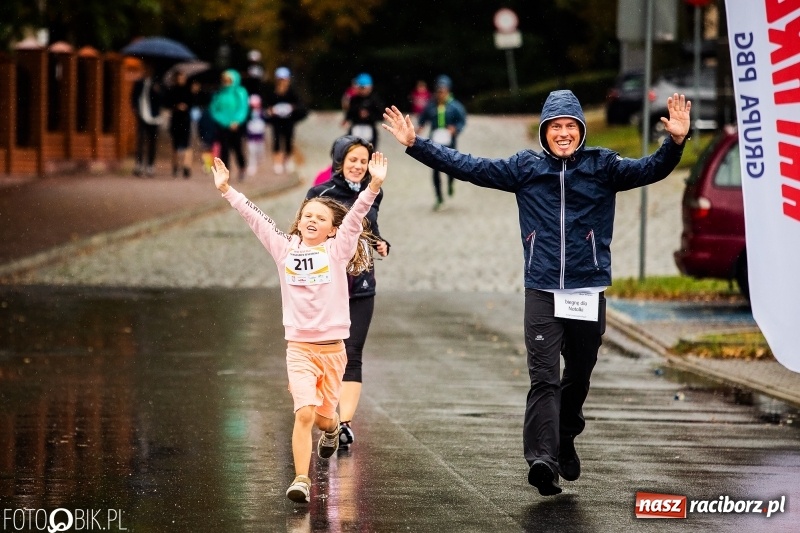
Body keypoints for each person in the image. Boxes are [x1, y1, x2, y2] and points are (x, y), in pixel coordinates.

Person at [382, 90, 691, 496]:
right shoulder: (525, 167)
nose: (563, 134)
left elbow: (651, 169)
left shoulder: (604, 165)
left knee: (578, 375)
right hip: (542, 288)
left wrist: (675, 142)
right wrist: (416, 145)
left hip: (586, 287)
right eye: (555, 128)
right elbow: (469, 166)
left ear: (580, 130)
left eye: (570, 127)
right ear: (545, 132)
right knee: (544, 377)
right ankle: (542, 459)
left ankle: (565, 436)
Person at [211, 151, 389, 503]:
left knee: (325, 420)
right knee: (304, 413)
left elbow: (355, 217)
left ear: (331, 228)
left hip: (333, 351)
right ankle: (301, 480)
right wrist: (227, 189)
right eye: (307, 215)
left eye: (320, 217)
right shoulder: (284, 249)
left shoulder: (337, 249)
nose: (311, 220)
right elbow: (257, 219)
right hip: (299, 350)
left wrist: (373, 186)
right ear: (299, 220)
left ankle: (334, 428)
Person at [305, 136, 391, 450]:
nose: (358, 166)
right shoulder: (320, 194)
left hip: (362, 282)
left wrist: (381, 243)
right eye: (353, 159)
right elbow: (305, 233)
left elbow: (371, 229)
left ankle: (344, 425)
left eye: (364, 160)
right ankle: (323, 412)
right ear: (340, 162)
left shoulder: (375, 193)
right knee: (326, 354)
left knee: (353, 355)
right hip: (327, 285)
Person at [417, 75, 467, 210]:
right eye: (439, 91)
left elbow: (462, 121)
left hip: (449, 140)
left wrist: (455, 129)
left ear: (448, 91)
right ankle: (439, 196)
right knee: (435, 169)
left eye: (443, 91)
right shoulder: (431, 105)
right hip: (434, 140)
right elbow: (423, 118)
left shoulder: (455, 106)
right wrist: (419, 127)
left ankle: (451, 182)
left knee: (451, 165)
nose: (441, 94)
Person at [264, 67, 307, 174]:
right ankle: (277, 163)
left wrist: (292, 108)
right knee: (276, 141)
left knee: (288, 141)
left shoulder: (292, 92)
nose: (283, 81)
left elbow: (300, 105)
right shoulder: (272, 92)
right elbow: (266, 106)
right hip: (276, 121)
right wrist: (271, 110)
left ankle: (287, 161)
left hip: (289, 120)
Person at [209, 69, 250, 181]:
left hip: (236, 126)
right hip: (223, 126)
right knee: (224, 149)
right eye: (224, 80)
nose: (226, 83)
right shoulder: (219, 93)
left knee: (237, 148)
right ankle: (226, 173)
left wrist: (236, 121)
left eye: (228, 80)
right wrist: (223, 121)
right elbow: (214, 109)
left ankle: (242, 168)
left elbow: (243, 108)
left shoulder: (240, 92)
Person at [130, 63, 164, 177]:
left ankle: (150, 166)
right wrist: (135, 108)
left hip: (154, 117)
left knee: (152, 142)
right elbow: (133, 97)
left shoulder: (157, 83)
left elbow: (162, 99)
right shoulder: (139, 82)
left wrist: (157, 91)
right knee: (141, 140)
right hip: (142, 115)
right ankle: (139, 165)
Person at [166, 71, 198, 179]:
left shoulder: (189, 90)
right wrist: (176, 106)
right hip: (176, 120)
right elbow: (168, 103)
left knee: (186, 145)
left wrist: (194, 94)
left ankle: (186, 166)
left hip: (185, 120)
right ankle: (175, 166)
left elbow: (193, 103)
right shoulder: (172, 90)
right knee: (175, 144)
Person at [343, 73, 384, 148]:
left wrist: (369, 115)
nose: (362, 90)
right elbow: (350, 113)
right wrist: (347, 119)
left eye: (363, 88)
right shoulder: (354, 99)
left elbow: (381, 116)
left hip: (370, 128)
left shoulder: (375, 100)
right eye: (360, 87)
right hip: (355, 128)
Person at [245, 94, 268, 177]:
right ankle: (252, 165)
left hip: (260, 135)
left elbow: (265, 121)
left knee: (260, 150)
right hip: (251, 135)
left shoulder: (262, 112)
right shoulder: (247, 114)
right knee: (251, 151)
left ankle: (259, 163)